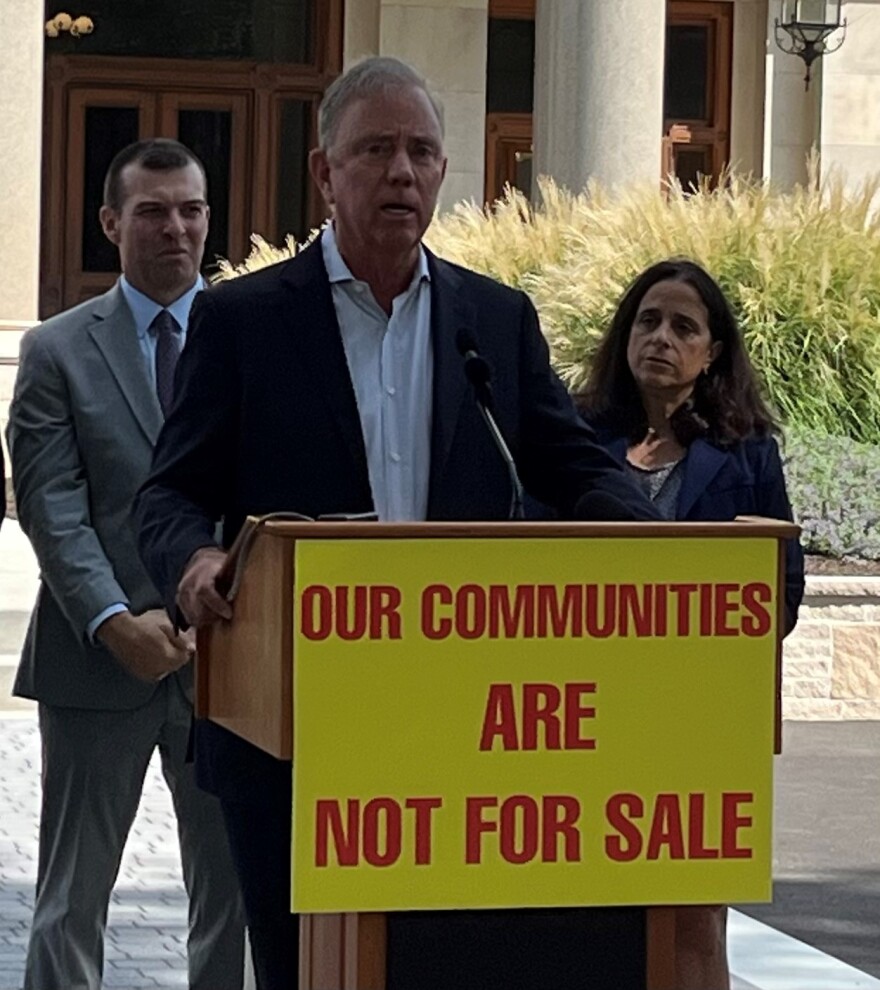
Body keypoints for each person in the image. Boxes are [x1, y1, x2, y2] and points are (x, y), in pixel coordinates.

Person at [133, 56, 658, 988]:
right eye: (375, 150)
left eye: (421, 151)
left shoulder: (493, 319)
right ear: (325, 173)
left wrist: (654, 541)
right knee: (305, 969)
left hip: (451, 733)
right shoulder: (244, 319)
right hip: (288, 720)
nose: (402, 172)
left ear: (445, 173)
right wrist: (198, 562)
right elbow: (168, 494)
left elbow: (572, 464)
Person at [6, 138, 245, 990]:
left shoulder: (255, 338)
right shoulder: (58, 350)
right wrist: (113, 620)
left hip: (230, 663)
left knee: (236, 903)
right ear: (111, 223)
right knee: (71, 901)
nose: (175, 228)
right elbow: (50, 504)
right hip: (95, 661)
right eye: (152, 211)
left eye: (191, 210)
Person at [576, 258, 805, 990]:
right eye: (647, 321)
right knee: (590, 910)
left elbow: (784, 591)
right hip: (585, 716)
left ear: (712, 353)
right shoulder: (575, 442)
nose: (661, 339)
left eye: (683, 326)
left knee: (693, 920)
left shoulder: (747, 452)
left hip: (698, 721)